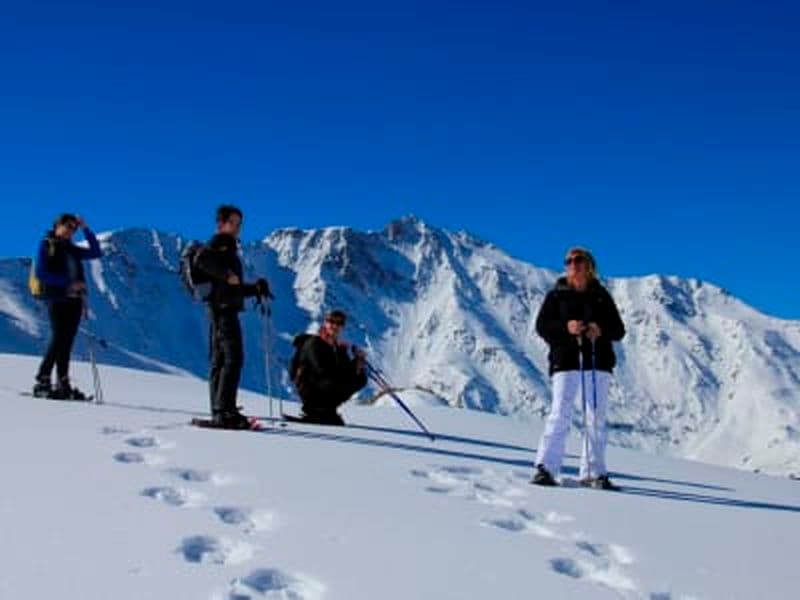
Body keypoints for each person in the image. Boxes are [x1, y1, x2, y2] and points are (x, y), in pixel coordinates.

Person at [531, 247, 625, 489]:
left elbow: (618, 329)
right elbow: (542, 326)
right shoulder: (556, 295)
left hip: (597, 360)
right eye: (569, 261)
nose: (573, 264)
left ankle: (593, 472)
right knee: (560, 412)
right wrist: (567, 327)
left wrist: (600, 329)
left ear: (589, 265)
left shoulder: (602, 296)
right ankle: (546, 468)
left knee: (595, 417)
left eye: (578, 260)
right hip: (566, 359)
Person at [194, 205, 270, 429]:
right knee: (233, 358)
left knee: (220, 361)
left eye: (239, 224)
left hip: (222, 308)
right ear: (221, 224)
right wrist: (227, 275)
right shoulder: (220, 243)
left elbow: (232, 287)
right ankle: (225, 412)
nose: (237, 228)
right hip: (223, 311)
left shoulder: (228, 248)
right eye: (233, 223)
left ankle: (221, 410)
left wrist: (254, 289)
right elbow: (202, 260)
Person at [32, 213, 103, 399]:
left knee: (67, 341)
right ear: (58, 225)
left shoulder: (72, 249)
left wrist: (86, 228)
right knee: (58, 337)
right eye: (68, 226)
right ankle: (43, 378)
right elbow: (41, 272)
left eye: (74, 228)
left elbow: (96, 251)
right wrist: (67, 283)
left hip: (75, 300)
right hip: (57, 298)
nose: (71, 231)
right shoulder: (47, 244)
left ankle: (63, 381)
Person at [291, 309, 367, 426]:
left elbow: (345, 371)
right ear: (325, 323)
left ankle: (327, 410)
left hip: (323, 384)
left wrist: (357, 362)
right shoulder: (314, 343)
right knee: (334, 379)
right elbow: (323, 370)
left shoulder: (337, 347)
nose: (335, 326)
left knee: (360, 378)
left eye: (339, 323)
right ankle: (317, 410)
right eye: (331, 321)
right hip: (309, 386)